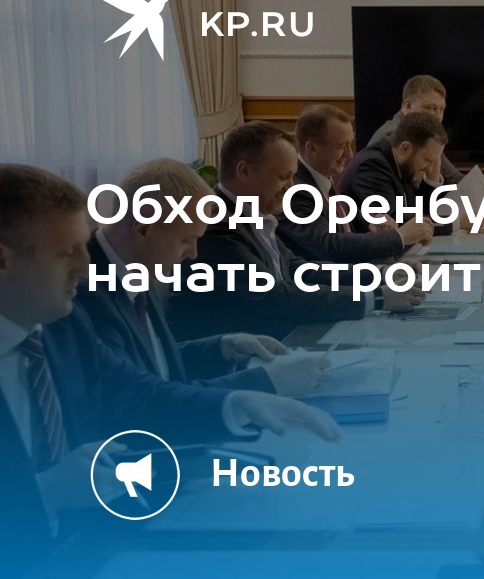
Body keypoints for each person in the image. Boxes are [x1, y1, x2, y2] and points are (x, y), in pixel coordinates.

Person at [0, 165, 340, 569]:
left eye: (82, 246)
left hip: (105, 546)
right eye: (66, 252)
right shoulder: (78, 308)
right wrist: (41, 494)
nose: (86, 266)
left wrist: (236, 403)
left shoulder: (61, 325)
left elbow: (138, 393)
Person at [79, 158, 327, 396]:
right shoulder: (83, 294)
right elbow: (134, 398)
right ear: (143, 227)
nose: (193, 253)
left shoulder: (137, 263)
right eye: (186, 240)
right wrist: (263, 382)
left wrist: (223, 347)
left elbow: (153, 362)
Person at [168, 121, 424, 341]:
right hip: (237, 363)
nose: (291, 186)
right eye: (283, 177)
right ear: (244, 171)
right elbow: (274, 297)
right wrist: (377, 298)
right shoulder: (214, 225)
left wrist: (379, 274)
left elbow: (299, 269)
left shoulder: (254, 214)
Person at [277, 104, 433, 263]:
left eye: (350, 144)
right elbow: (331, 246)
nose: (350, 154)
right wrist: (399, 236)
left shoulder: (325, 182)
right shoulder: (295, 191)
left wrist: (376, 224)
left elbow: (352, 227)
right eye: (341, 146)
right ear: (311, 149)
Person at [368, 74, 484, 197]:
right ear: (408, 105)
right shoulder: (392, 136)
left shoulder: (426, 135)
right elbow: (416, 194)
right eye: (431, 108)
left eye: (441, 109)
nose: (438, 116)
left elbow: (453, 178)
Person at [341, 112, 459, 235]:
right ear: (405, 148)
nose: (430, 167)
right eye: (428, 160)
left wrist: (431, 181)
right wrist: (456, 222)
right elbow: (395, 221)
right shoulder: (372, 166)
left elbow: (416, 211)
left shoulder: (401, 165)